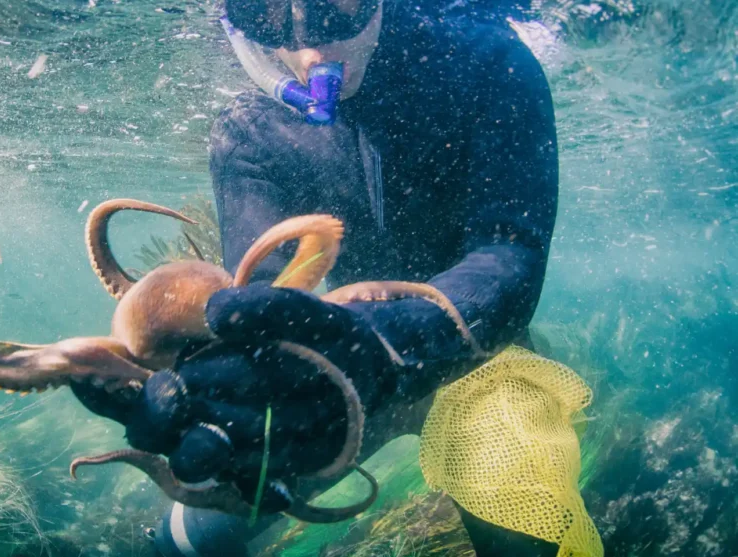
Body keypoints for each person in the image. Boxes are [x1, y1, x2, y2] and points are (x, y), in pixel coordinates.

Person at [74, 0, 574, 555]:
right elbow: (260, 296)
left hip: (476, 358)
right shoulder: (248, 132)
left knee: (528, 536)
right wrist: (218, 379)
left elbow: (509, 255)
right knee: (189, 542)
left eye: (335, 6)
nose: (311, 47)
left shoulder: (488, 64)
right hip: (331, 367)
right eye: (266, 15)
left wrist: (387, 345)